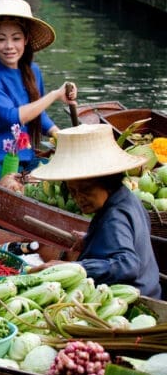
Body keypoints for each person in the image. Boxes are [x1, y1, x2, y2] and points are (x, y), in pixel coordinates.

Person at [29, 123, 161, 299]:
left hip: (133, 302)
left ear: (107, 182)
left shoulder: (114, 217)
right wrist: (93, 239)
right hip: (153, 290)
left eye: (86, 190)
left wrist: (72, 267)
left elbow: (127, 265)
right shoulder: (129, 198)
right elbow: (129, 237)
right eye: (73, 191)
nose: (78, 198)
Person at [0, 0, 78, 181]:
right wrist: (55, 94)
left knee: (70, 175)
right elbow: (13, 118)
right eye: (1, 39)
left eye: (16, 38)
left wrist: (61, 136)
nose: (9, 46)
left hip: (25, 159)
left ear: (26, 40)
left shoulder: (33, 71)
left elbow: (37, 115)